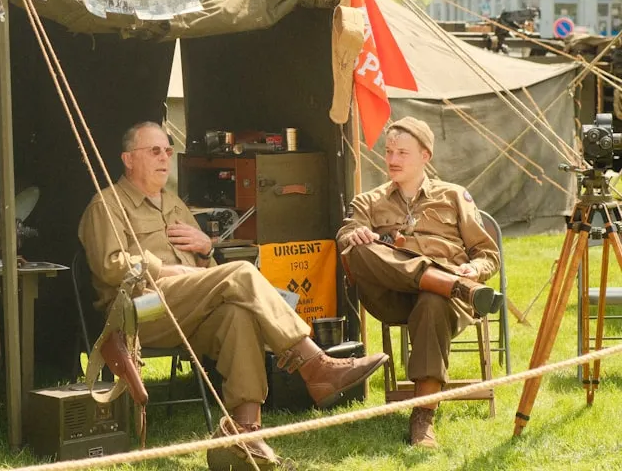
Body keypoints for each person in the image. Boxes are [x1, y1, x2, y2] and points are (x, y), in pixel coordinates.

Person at [79, 121, 388, 470]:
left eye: (167, 150)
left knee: (237, 316)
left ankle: (245, 433)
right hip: (139, 314)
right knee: (241, 273)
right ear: (128, 159)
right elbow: (110, 266)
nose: (165, 157)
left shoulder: (174, 204)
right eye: (154, 151)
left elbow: (208, 268)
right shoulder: (106, 204)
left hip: (186, 307)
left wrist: (207, 247)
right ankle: (314, 364)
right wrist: (166, 270)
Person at [337, 116, 502, 450]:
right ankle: (443, 282)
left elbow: (488, 254)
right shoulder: (369, 201)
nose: (393, 160)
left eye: (402, 153)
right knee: (355, 250)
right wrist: (354, 234)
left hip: (444, 302)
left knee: (433, 300)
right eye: (389, 152)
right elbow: (344, 236)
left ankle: (422, 419)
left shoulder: (454, 196)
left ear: (426, 156)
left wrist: (473, 270)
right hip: (392, 296)